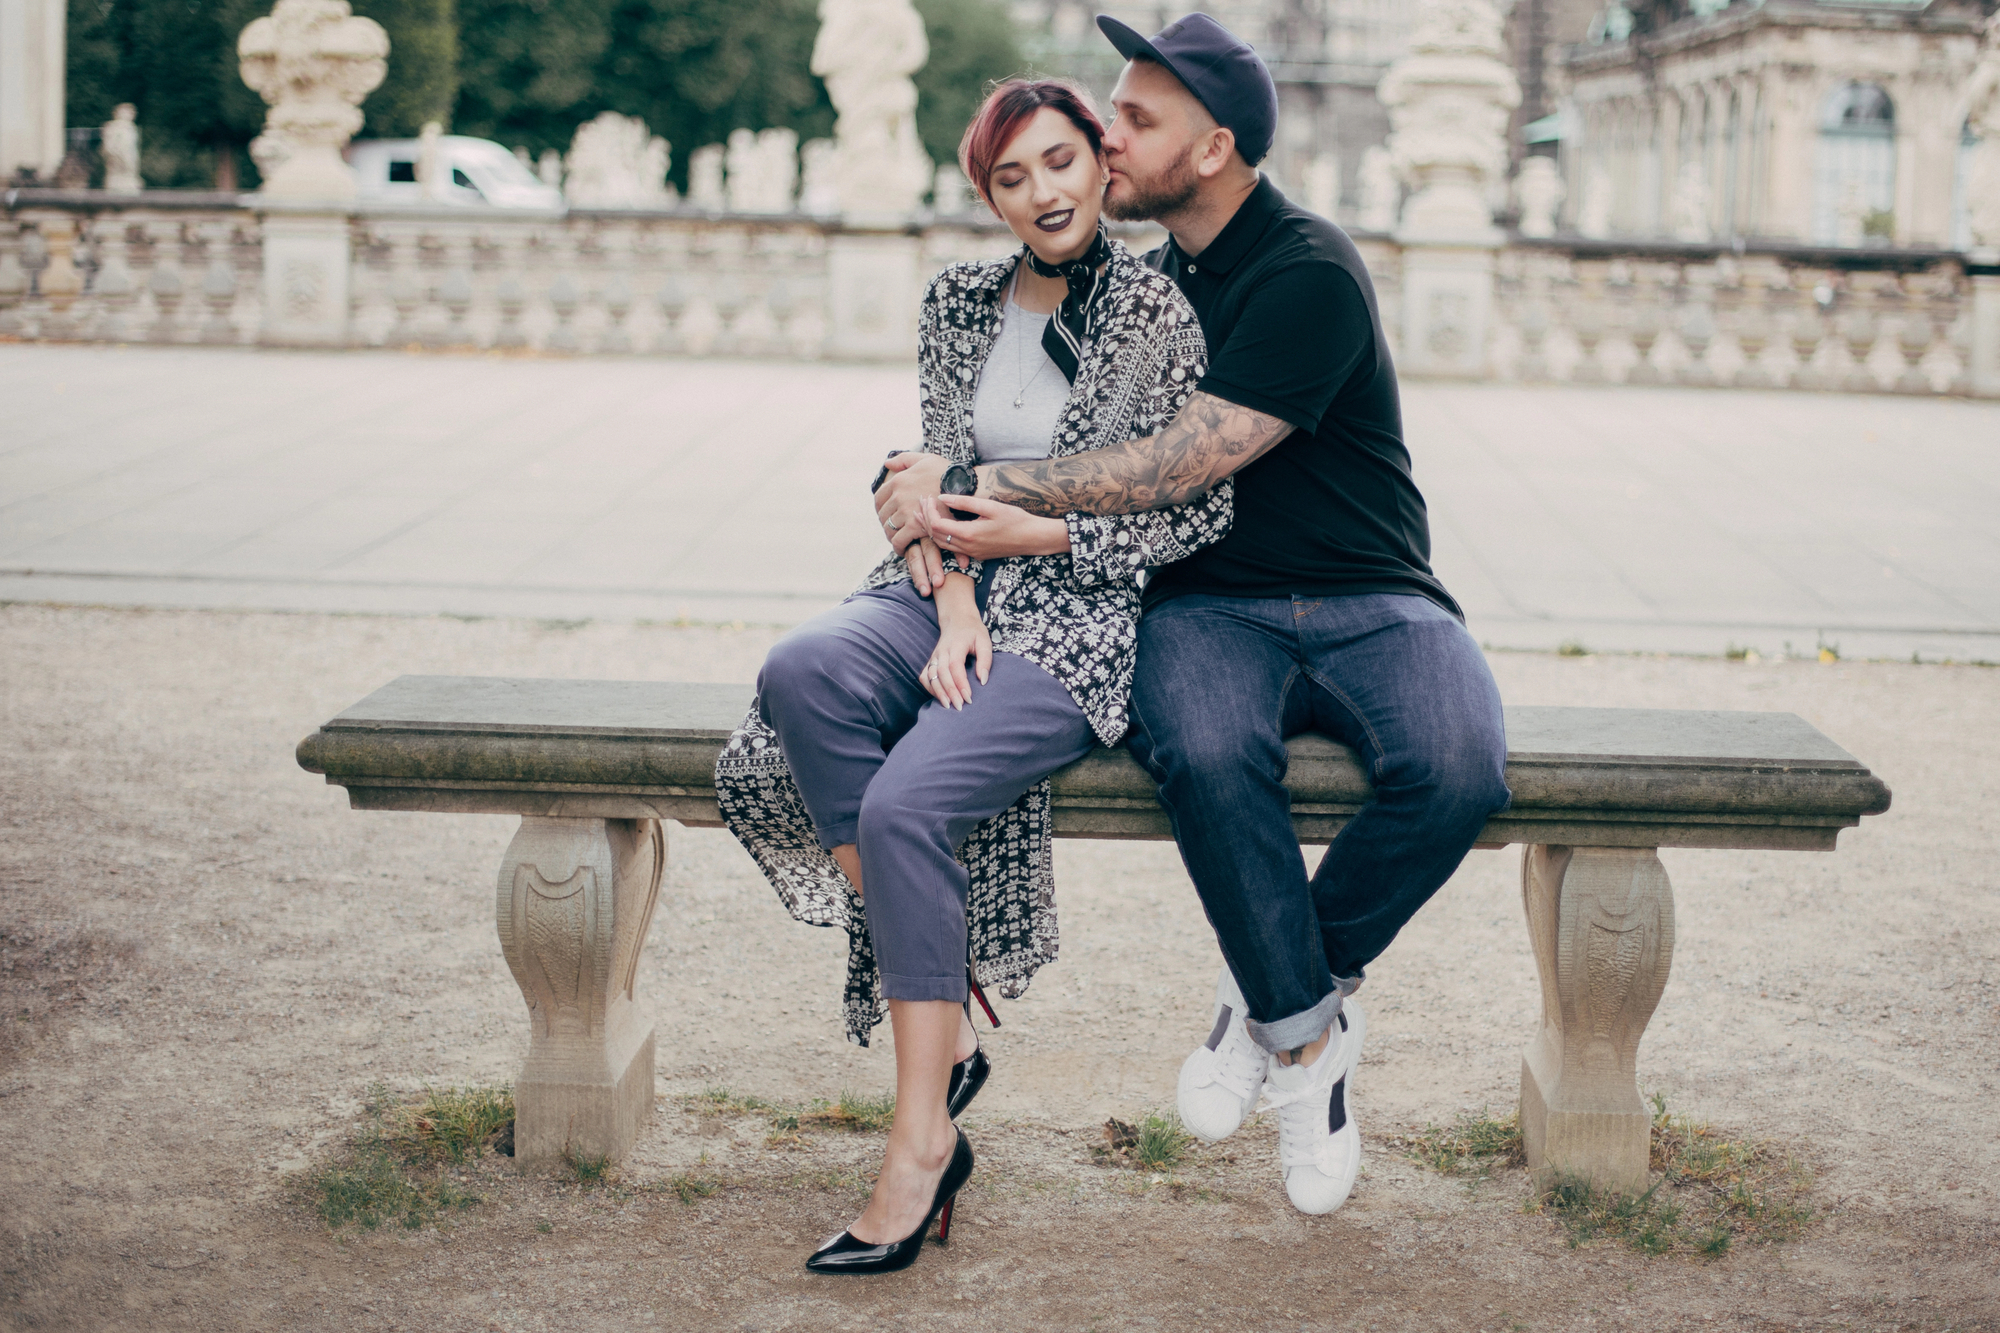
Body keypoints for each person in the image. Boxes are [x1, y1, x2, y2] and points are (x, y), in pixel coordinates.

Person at [875, 15, 1512, 1217]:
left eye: (1134, 119)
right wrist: (914, 470)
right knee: (1206, 754)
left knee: (1461, 765)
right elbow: (1000, 407)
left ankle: (1273, 996)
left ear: (1212, 147)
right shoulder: (1140, 280)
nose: (1105, 136)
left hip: (1370, 591)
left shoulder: (1306, 271)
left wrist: (978, 491)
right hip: (1203, 603)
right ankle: (1309, 1044)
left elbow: (1176, 461)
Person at [715, 77, 1231, 1274]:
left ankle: (919, 1135)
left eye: (1059, 163)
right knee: (801, 674)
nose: (1041, 192)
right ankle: (936, 999)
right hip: (937, 590)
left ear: (1102, 170)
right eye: (1011, 177)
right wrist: (947, 600)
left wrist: (1038, 538)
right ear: (988, 195)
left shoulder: (1158, 313)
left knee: (905, 805)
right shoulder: (956, 299)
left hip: (1076, 621)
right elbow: (924, 468)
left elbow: (1197, 516)